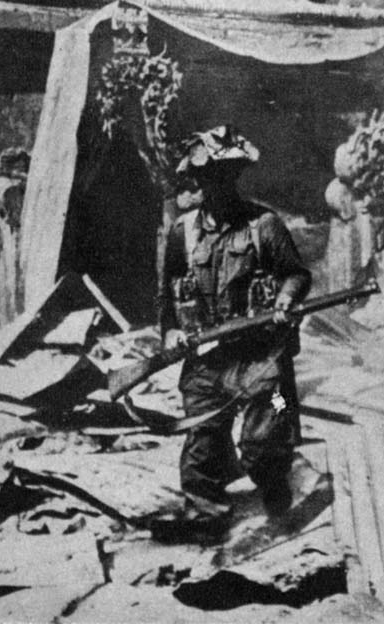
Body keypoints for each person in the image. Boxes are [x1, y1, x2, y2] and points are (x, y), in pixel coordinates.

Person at [150, 125, 312, 543]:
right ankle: (207, 517)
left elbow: (296, 274)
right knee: (201, 442)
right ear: (198, 180)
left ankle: (276, 482)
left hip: (263, 360)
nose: (215, 185)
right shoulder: (182, 232)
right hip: (207, 359)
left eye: (224, 176)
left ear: (235, 176)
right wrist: (170, 332)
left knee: (266, 438)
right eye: (207, 178)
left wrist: (285, 299)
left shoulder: (264, 225)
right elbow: (167, 293)